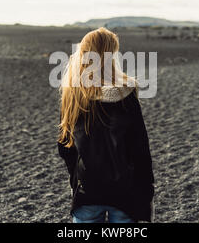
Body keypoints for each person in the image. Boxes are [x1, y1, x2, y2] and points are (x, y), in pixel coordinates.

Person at [57, 27, 154, 223]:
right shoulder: (126, 93)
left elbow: (66, 145)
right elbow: (140, 147)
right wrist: (147, 190)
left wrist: (75, 182)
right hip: (125, 191)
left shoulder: (74, 93)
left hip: (88, 189)